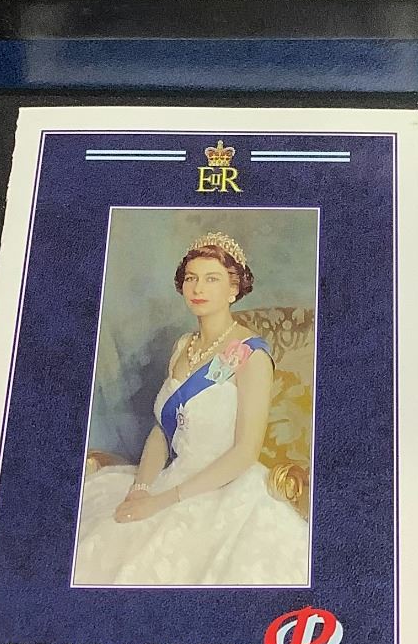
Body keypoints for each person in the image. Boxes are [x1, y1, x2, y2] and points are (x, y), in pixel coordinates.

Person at [74, 231, 310, 586]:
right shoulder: (183, 345)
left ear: (234, 289)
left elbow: (246, 452)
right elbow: (162, 429)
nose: (198, 288)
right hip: (172, 476)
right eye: (191, 278)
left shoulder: (253, 356)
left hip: (226, 488)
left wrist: (162, 502)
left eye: (212, 279)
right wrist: (142, 488)